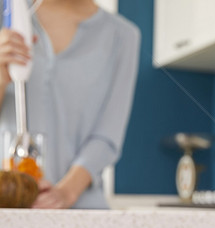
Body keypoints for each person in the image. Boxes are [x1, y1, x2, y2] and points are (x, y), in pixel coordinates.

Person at [0, 0, 140, 208]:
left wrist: (66, 193)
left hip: (79, 212)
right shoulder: (7, 15)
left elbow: (106, 137)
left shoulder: (124, 35)